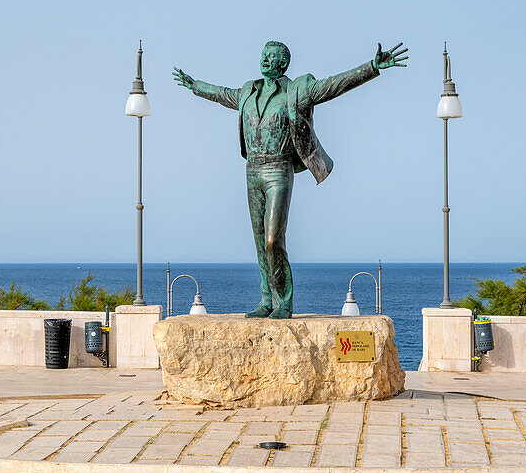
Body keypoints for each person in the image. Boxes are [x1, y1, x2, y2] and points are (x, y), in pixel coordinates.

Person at [174, 40, 407, 318]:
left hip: (278, 169)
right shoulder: (249, 91)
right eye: (263, 54)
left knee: (273, 239)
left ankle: (283, 302)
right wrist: (194, 85)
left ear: (283, 63)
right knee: (260, 240)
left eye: (272, 56)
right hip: (252, 169)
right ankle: (266, 300)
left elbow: (335, 85)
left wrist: (371, 67)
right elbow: (222, 94)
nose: (265, 58)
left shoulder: (297, 90)